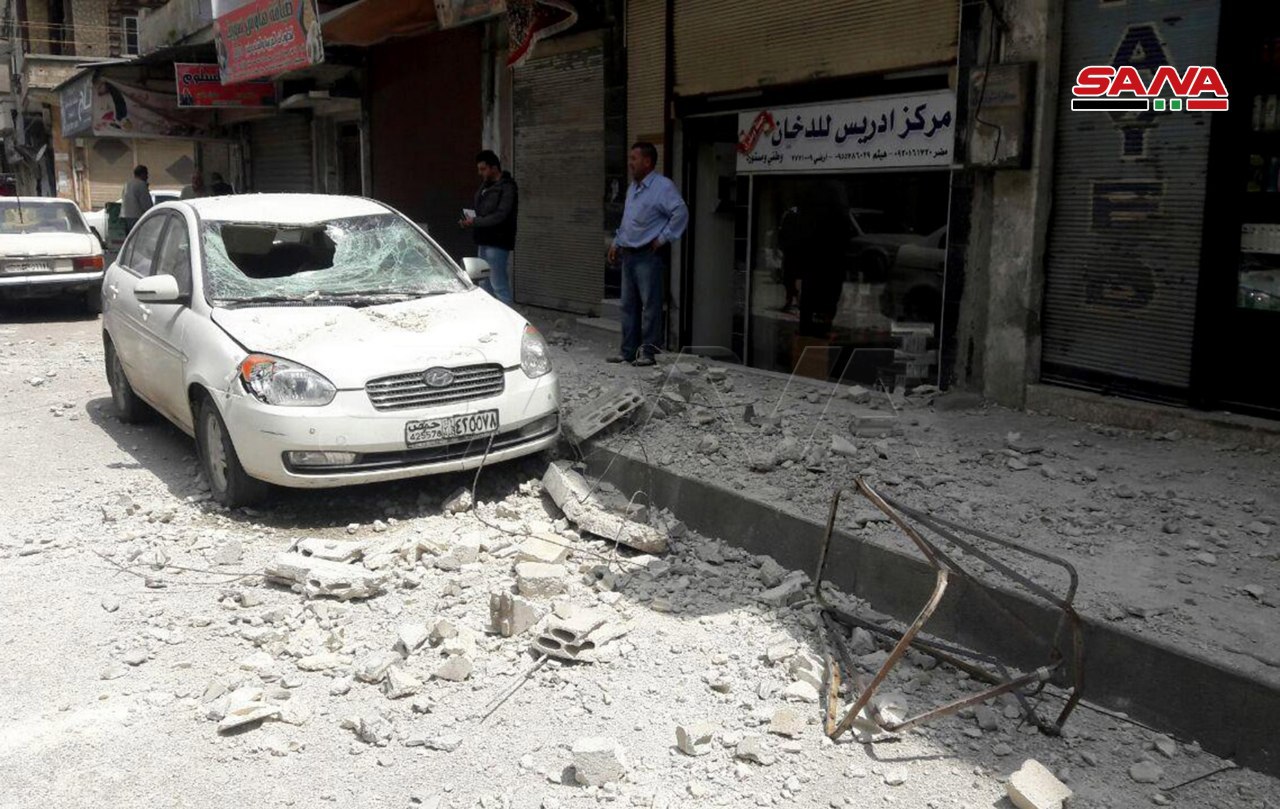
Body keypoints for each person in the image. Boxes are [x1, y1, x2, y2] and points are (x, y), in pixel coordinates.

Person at [606, 142, 688, 366]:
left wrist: (663, 238)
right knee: (628, 306)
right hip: (628, 254)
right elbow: (628, 220)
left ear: (647, 161)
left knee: (650, 307)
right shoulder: (633, 188)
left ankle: (649, 353)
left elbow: (680, 212)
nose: (630, 163)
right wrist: (616, 242)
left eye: (634, 158)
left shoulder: (663, 187)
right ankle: (628, 352)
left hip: (647, 256)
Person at [460, 150, 518, 305]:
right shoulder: (485, 186)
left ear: (494, 168)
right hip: (483, 240)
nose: (480, 173)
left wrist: (475, 222)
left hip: (498, 242)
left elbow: (500, 215)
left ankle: (508, 316)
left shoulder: (507, 187)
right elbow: (481, 211)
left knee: (498, 284)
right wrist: (469, 221)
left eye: (483, 169)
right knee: (485, 284)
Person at [120, 165, 152, 233]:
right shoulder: (141, 185)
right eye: (146, 174)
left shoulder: (127, 184)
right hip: (136, 217)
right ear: (142, 174)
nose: (147, 177)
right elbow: (146, 204)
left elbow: (123, 197)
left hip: (125, 216)